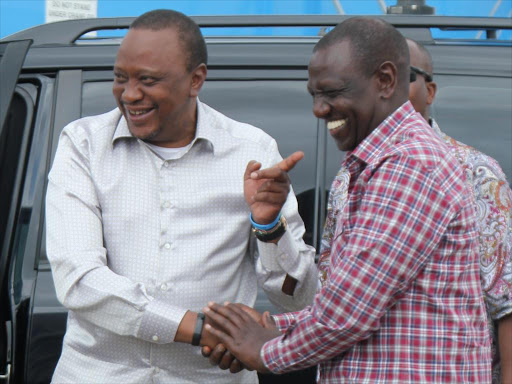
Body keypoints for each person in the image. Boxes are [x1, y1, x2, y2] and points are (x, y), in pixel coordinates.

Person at [203, 17, 492, 383]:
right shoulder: (367, 164)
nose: (319, 109)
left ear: (385, 80)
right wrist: (265, 325)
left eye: (332, 92)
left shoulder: (411, 164)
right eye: (314, 95)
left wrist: (262, 350)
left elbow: (348, 313)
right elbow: (339, 297)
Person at [45, 9, 318, 384]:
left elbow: (298, 299)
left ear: (196, 80)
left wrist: (269, 227)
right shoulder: (83, 145)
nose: (129, 95)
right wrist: (203, 329)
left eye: (148, 80)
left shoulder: (252, 151)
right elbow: (79, 278)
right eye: (120, 78)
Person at [406, 37, 512, 384]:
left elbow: (507, 302)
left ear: (430, 91)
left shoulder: (476, 173)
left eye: (402, 75)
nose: (385, 88)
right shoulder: (351, 176)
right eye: (372, 76)